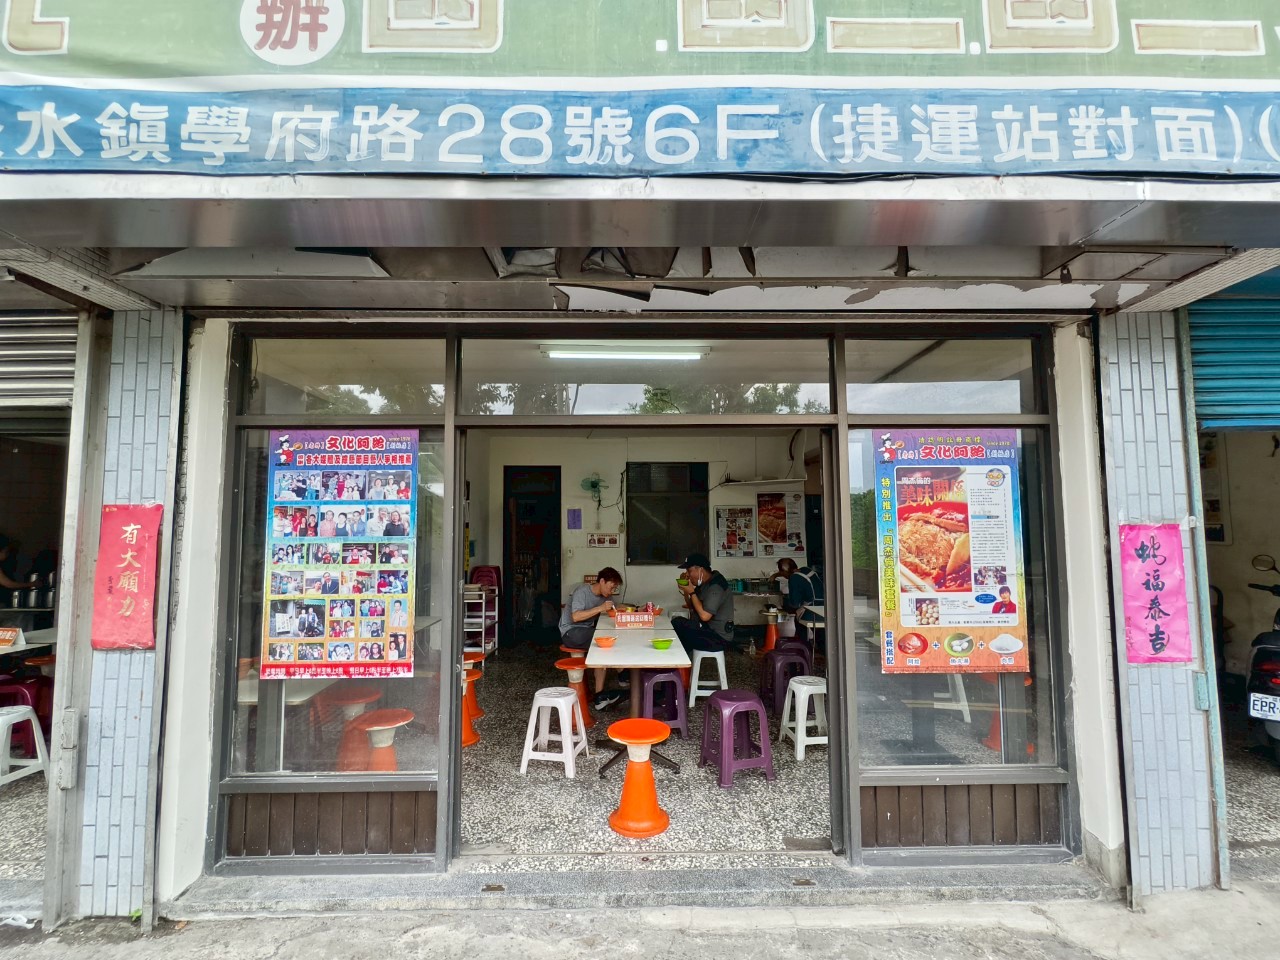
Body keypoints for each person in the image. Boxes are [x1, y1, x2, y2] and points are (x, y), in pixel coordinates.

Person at [672, 552, 735, 653]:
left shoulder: (716, 586)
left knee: (678, 625)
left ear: (700, 569)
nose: (687, 574)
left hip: (718, 638)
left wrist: (691, 592)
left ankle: (682, 660)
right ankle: (683, 659)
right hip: (708, 630)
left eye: (689, 571)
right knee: (677, 623)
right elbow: (691, 605)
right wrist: (686, 590)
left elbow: (705, 616)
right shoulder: (704, 583)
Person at [775, 557, 824, 641]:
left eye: (781, 572)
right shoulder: (807, 570)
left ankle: (803, 644)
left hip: (812, 610)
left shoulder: (794, 578)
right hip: (823, 608)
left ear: (784, 571)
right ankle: (816, 643)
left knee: (798, 619)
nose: (782, 575)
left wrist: (784, 605)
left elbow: (795, 604)